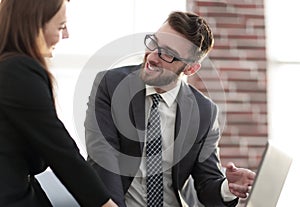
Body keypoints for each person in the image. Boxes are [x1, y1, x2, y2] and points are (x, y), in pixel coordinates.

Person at [85, 11, 256, 207]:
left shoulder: (204, 112)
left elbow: (207, 184)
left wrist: (227, 188)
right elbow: (103, 158)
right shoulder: (111, 85)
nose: (152, 56)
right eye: (153, 42)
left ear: (190, 69)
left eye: (168, 54)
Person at [0, 0, 118, 206]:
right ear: (33, 25)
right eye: (61, 26)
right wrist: (105, 204)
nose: (66, 35)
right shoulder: (18, 71)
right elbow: (60, 150)